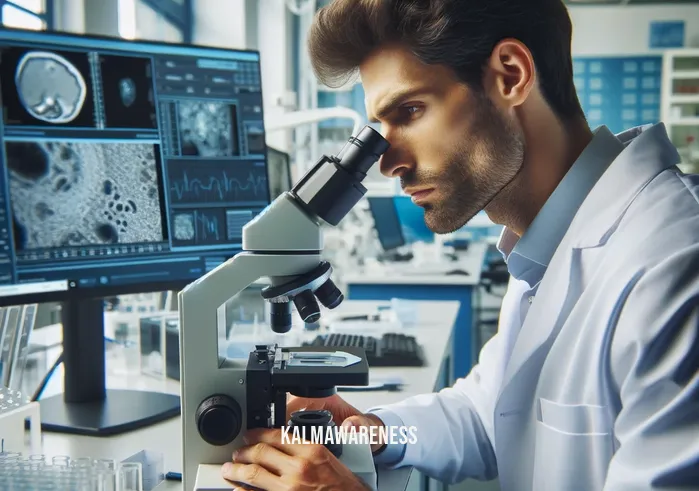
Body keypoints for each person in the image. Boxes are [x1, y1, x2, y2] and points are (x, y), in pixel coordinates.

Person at [221, 0, 699, 489]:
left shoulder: (674, 267)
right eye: (380, 130)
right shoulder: (547, 243)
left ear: (510, 75)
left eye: (409, 111)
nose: (388, 163)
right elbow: (486, 415)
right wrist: (377, 431)